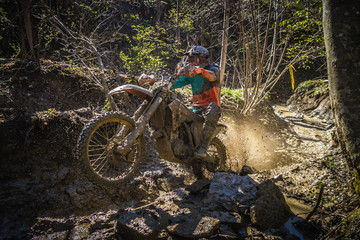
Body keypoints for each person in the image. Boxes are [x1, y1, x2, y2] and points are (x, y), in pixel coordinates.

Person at [172, 45, 221, 160]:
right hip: (196, 108)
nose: (190, 61)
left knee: (212, 111)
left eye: (193, 58)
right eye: (189, 58)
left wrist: (198, 70)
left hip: (211, 107)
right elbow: (175, 83)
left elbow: (212, 76)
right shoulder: (190, 75)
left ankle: (203, 148)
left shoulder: (213, 68)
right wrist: (154, 79)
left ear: (202, 58)